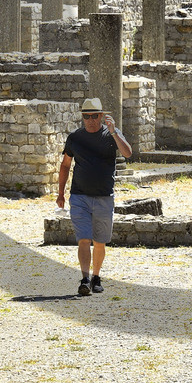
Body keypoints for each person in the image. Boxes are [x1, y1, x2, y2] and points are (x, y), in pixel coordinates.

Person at [56, 97, 132, 296]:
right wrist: (60, 193)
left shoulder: (111, 135)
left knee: (99, 241)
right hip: (79, 196)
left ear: (101, 116)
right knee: (83, 239)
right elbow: (65, 165)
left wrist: (114, 131)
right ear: (82, 117)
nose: (90, 120)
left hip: (104, 197)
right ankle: (85, 278)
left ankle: (96, 276)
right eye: (86, 116)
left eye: (94, 116)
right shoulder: (75, 138)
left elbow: (128, 152)